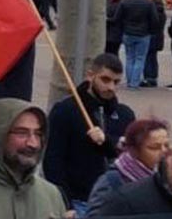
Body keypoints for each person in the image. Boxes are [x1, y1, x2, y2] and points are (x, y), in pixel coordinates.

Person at [44, 54, 133, 207]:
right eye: (105, 79)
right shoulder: (65, 111)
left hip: (114, 202)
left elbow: (130, 157)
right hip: (79, 201)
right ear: (91, 76)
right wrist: (65, 203)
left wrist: (108, 141)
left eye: (116, 82)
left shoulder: (125, 114)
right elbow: (53, 162)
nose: (111, 87)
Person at [83, 118, 170, 215]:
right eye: (154, 147)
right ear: (135, 150)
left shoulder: (166, 179)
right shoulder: (111, 183)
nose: (164, 151)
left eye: (166, 145)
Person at [116, 0, 159, 88]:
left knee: (129, 57)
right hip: (143, 34)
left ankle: (130, 81)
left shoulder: (124, 2)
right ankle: (135, 83)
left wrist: (123, 28)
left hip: (128, 32)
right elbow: (155, 19)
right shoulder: (148, 3)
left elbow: (117, 18)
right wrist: (151, 30)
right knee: (140, 58)